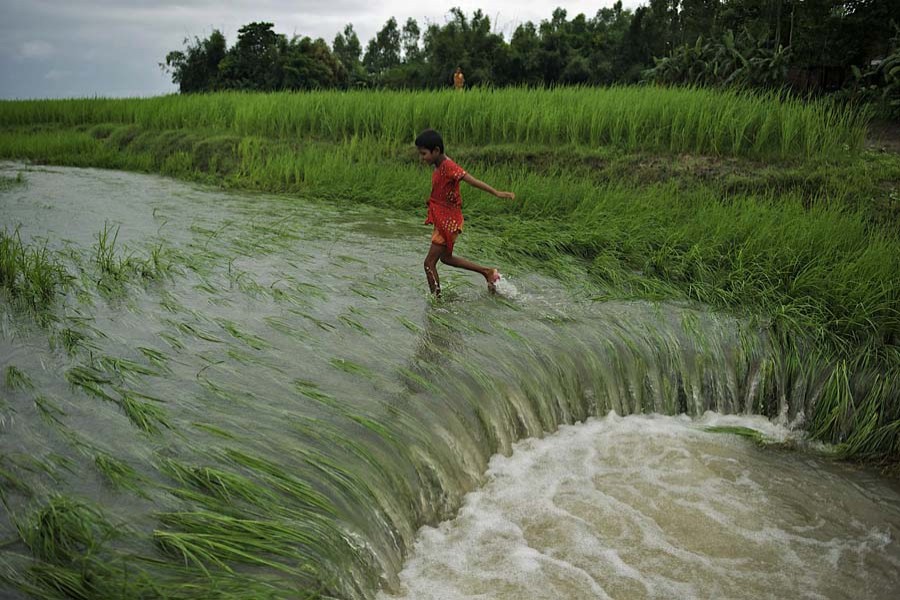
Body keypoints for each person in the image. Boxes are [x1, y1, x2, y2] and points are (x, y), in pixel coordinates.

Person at [415, 128, 515, 296]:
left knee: (428, 264)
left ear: (436, 151)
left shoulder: (448, 166)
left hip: (449, 221)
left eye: (424, 154)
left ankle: (436, 301)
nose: (421, 158)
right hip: (443, 219)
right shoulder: (438, 165)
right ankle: (487, 272)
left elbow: (472, 180)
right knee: (446, 258)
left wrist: (497, 193)